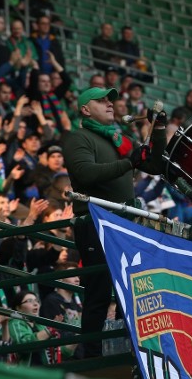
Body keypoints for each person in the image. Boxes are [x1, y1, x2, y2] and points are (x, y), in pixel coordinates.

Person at [61, 86, 167, 357]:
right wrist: (129, 163)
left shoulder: (121, 139)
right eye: (101, 101)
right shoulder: (78, 137)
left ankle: (126, 351)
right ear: (85, 109)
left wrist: (158, 130)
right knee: (98, 292)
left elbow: (154, 165)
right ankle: (92, 355)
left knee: (130, 289)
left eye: (111, 100)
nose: (110, 104)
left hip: (124, 224)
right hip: (96, 223)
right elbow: (85, 174)